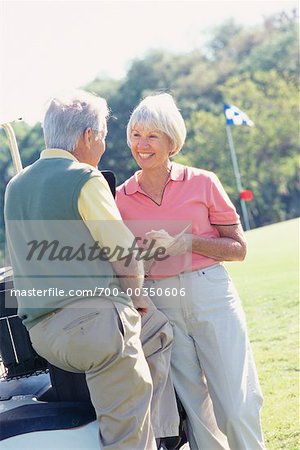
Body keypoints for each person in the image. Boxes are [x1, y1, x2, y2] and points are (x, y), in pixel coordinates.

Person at [4, 90, 179, 450]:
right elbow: (124, 256)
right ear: (87, 136)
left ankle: (153, 429)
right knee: (128, 434)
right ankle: (156, 435)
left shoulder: (15, 186)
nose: (102, 144)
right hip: (93, 327)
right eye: (101, 135)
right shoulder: (85, 177)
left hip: (43, 333)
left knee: (153, 333)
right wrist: (136, 297)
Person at [116, 93, 265, 450]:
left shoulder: (203, 182)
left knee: (236, 404)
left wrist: (187, 242)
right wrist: (142, 257)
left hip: (210, 291)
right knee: (196, 410)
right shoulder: (120, 198)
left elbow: (239, 248)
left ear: (171, 141)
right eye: (135, 134)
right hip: (161, 300)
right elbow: (124, 262)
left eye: (152, 135)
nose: (142, 144)